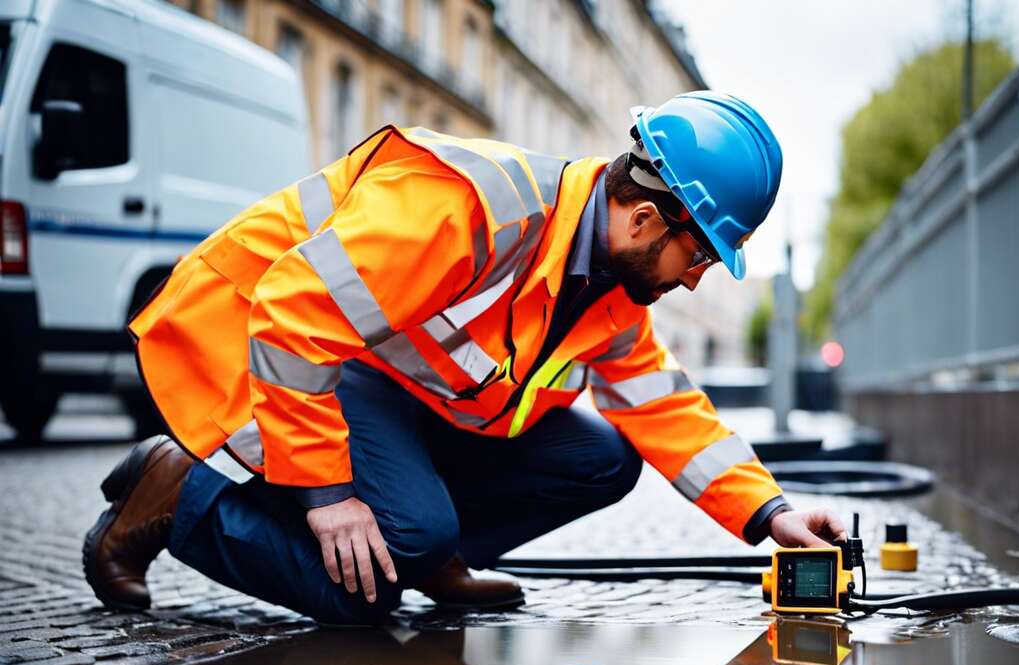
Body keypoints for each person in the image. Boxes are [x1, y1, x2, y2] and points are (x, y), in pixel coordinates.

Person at [82, 92, 846, 626]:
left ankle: (427, 553)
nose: (696, 278)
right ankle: (177, 492)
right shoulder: (473, 204)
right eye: (701, 255)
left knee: (605, 459)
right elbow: (296, 313)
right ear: (645, 219)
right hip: (273, 344)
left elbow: (664, 405)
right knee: (362, 589)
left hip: (387, 381)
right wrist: (328, 498)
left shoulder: (611, 287)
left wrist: (773, 514)